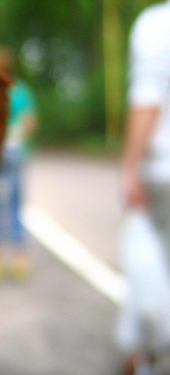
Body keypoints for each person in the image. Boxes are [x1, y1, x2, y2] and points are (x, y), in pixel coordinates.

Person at [120, 2, 170, 374]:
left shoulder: (156, 24)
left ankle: (146, 355)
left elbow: (147, 100)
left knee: (148, 255)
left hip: (162, 168)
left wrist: (130, 166)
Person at [0, 47, 38, 282]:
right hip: (15, 153)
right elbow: (30, 124)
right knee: (15, 204)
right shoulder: (21, 91)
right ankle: (18, 259)